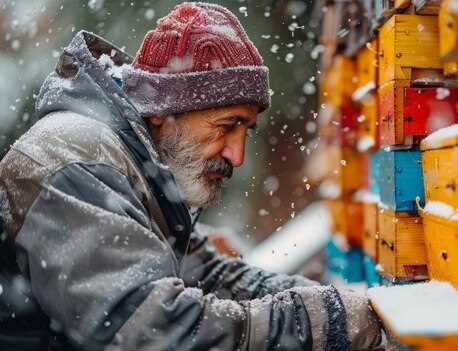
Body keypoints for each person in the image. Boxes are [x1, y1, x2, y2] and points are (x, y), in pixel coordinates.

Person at [0, 3, 382, 350]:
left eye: (246, 130)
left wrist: (332, 305)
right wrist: (322, 321)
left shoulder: (134, 162)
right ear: (164, 112)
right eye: (227, 126)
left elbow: (208, 274)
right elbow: (154, 330)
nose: (237, 154)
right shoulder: (78, 160)